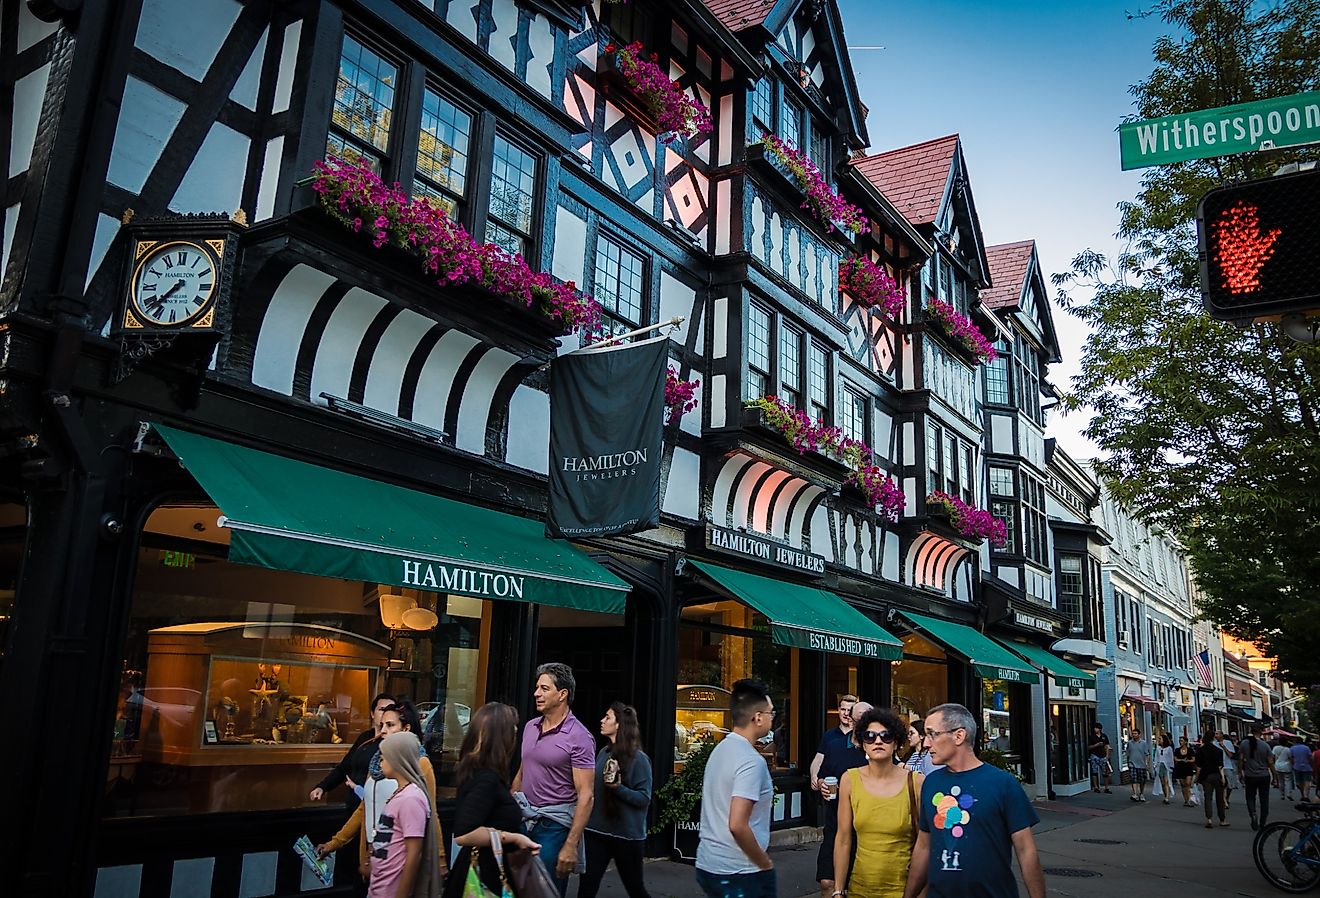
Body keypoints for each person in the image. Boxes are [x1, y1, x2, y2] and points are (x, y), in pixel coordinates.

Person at [902, 703, 1045, 898]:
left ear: (959, 736)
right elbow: (924, 846)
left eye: (932, 734)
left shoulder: (1003, 784)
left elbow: (1026, 850)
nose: (926, 743)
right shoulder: (931, 783)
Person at [318, 701, 448, 883]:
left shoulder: (420, 763)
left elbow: (431, 813)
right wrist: (335, 843)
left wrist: (440, 860)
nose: (383, 731)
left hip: (399, 854)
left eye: (390, 725)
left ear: (406, 729)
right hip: (371, 851)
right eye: (381, 725)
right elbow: (365, 807)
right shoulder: (378, 762)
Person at [512, 662, 596, 897]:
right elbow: (522, 771)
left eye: (544, 688)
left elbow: (586, 795)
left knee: (544, 889)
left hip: (554, 824)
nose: (536, 693)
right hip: (523, 818)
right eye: (537, 687)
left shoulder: (579, 737)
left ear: (562, 694)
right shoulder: (530, 727)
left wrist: (571, 845)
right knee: (517, 886)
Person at [442, 703, 540, 898]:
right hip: (485, 876)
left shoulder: (481, 772)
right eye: (512, 728)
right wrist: (513, 838)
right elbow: (464, 833)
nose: (515, 734)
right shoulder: (486, 779)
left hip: (486, 870)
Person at [695, 679, 776, 898]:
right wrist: (764, 862)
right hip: (740, 871)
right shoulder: (751, 761)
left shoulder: (719, 751)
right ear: (757, 717)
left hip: (708, 863)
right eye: (771, 713)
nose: (772, 718)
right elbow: (737, 824)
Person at [834, 707, 924, 898]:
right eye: (870, 736)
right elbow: (843, 839)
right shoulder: (849, 779)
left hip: (904, 890)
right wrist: (838, 890)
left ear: (897, 742)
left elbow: (926, 844)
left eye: (886, 736)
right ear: (862, 743)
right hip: (859, 889)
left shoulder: (916, 782)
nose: (878, 741)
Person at [579, 703, 653, 898]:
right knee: (586, 886)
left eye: (608, 717)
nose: (602, 721)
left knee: (635, 888)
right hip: (596, 831)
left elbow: (644, 798)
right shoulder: (603, 753)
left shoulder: (639, 759)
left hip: (626, 836)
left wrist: (618, 789)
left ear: (620, 725)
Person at [366, 731, 443, 898]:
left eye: (384, 758)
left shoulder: (411, 799)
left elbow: (414, 852)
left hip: (392, 890)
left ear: (397, 761)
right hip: (380, 886)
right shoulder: (400, 794)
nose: (380, 763)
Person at [815, 699, 869, 898]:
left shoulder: (876, 750)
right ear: (852, 721)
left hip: (865, 831)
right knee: (827, 883)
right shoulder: (835, 745)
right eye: (860, 719)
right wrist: (822, 785)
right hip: (835, 826)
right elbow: (822, 775)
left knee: (854, 887)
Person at [310, 692, 397, 808]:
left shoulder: (393, 744)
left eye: (390, 710)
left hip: (373, 805)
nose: (385, 714)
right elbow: (345, 766)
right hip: (353, 803)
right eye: (382, 709)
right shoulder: (365, 737)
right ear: (372, 713)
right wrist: (322, 787)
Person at [810, 694, 858, 792]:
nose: (846, 713)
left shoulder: (859, 737)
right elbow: (819, 758)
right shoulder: (829, 735)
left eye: (849, 710)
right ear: (839, 710)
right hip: (832, 789)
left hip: (855, 788)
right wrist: (814, 776)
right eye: (843, 709)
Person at [1240, 723, 1273, 831]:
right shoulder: (1265, 745)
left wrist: (1240, 771)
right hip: (1264, 775)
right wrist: (1275, 775)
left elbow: (1241, 759)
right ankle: (1263, 822)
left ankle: (1253, 814)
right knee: (1264, 800)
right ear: (1261, 732)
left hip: (1250, 775)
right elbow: (1270, 762)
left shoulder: (1244, 743)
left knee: (1250, 797)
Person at [1194, 730, 1228, 828]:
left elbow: (1198, 767)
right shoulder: (1218, 751)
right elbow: (1220, 766)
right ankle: (1222, 819)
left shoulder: (1200, 750)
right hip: (1216, 775)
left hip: (1206, 776)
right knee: (1220, 798)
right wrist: (1222, 777)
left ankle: (1209, 819)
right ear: (1213, 738)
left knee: (1207, 797)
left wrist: (1196, 778)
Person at [1126, 728, 1151, 802]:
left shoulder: (1143, 743)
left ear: (1139, 734)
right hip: (1132, 763)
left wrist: (1146, 763)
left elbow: (1147, 754)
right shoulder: (1130, 743)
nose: (1134, 735)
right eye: (1133, 734)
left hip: (1141, 764)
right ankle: (1135, 794)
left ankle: (1142, 793)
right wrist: (1128, 762)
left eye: (1135, 733)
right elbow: (1128, 753)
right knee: (1133, 779)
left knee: (1142, 780)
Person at [1088, 723, 1112, 793]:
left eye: (1096, 728)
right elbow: (1089, 747)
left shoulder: (1104, 736)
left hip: (1103, 755)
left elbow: (1107, 746)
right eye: (1094, 728)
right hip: (1094, 755)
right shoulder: (1091, 737)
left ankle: (1106, 788)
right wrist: (1096, 745)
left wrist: (1107, 756)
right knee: (1094, 771)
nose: (1095, 729)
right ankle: (1096, 787)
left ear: (1100, 729)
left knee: (1105, 772)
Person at [1173, 735, 1196, 806]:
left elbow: (1193, 759)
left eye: (1182, 741)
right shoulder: (1177, 750)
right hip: (1180, 768)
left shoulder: (1190, 750)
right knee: (1183, 785)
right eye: (1180, 741)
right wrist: (1181, 760)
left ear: (1185, 742)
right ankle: (1185, 800)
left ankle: (1189, 799)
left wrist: (1188, 761)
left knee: (1188, 783)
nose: (1180, 742)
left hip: (1188, 768)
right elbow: (1175, 758)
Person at [1216, 732, 1238, 807]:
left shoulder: (1228, 743)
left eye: (1217, 733)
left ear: (1221, 735)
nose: (1216, 735)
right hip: (1218, 767)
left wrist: (1224, 747)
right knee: (1221, 785)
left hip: (1227, 766)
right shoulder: (1213, 743)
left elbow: (1231, 755)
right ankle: (1223, 800)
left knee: (1229, 785)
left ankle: (1227, 797)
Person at [1291, 735, 1314, 801]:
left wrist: (1293, 764)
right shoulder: (1306, 748)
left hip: (1297, 767)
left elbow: (1291, 758)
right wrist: (1311, 764)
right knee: (1307, 781)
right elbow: (1310, 757)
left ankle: (1302, 794)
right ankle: (1306, 795)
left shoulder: (1292, 748)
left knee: (1299, 782)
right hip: (1307, 767)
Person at [1154, 734, 1175, 805]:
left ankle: (1167, 798)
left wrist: (1171, 766)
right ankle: (1165, 795)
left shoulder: (1169, 748)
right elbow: (1156, 757)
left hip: (1166, 766)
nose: (1159, 740)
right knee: (1162, 782)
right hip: (1160, 766)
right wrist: (1155, 765)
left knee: (1166, 781)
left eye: (1160, 739)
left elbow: (1171, 758)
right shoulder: (1158, 748)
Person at [1273, 736, 1295, 801]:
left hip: (1278, 765)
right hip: (1287, 766)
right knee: (1288, 780)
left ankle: (1282, 795)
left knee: (1280, 781)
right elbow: (1290, 758)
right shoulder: (1288, 749)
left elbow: (1273, 756)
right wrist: (1293, 764)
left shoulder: (1275, 748)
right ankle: (1288, 794)